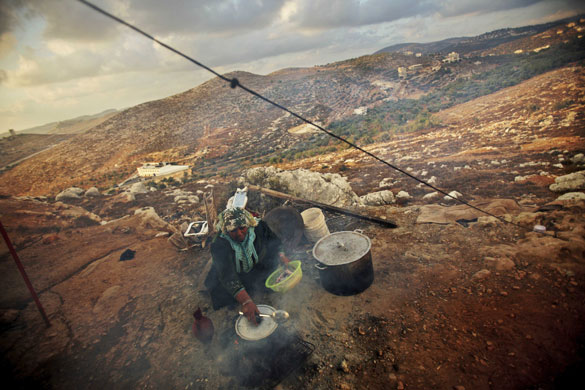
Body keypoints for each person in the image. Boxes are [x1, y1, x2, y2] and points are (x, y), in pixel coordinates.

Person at [204, 207, 290, 325]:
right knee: (223, 295)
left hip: (256, 266)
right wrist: (246, 301)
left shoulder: (259, 227)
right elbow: (227, 275)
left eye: (242, 228)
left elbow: (274, 240)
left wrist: (281, 255)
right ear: (226, 230)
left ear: (248, 225)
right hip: (234, 273)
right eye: (233, 230)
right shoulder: (219, 244)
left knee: (267, 280)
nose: (239, 233)